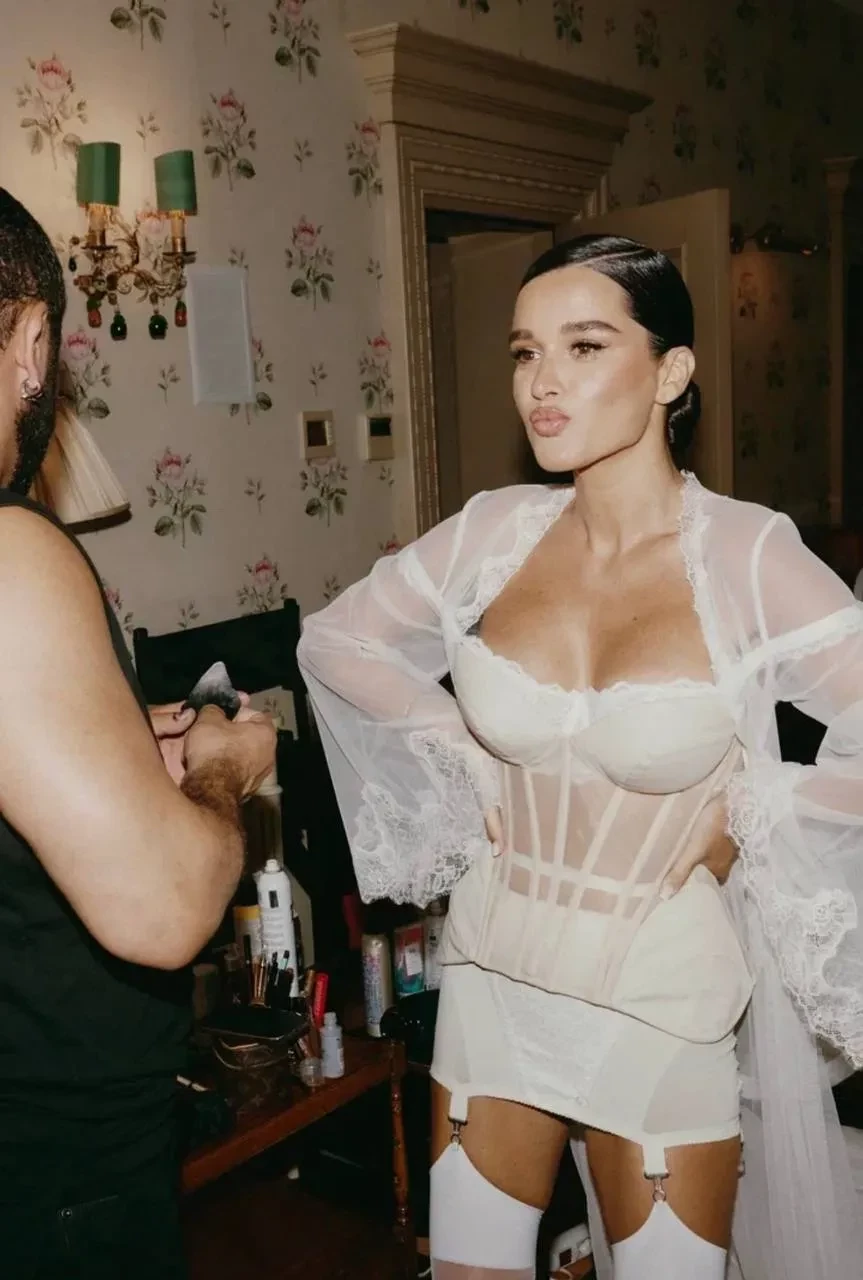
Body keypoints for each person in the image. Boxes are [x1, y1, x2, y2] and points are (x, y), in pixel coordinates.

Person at [297, 233, 863, 1280]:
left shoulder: (745, 554)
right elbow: (336, 643)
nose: (541, 381)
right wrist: (453, 742)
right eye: (525, 351)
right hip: (490, 974)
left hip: (660, 998)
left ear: (671, 372)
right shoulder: (492, 533)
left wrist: (755, 808)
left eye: (584, 345)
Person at [0, 188, 276, 1278]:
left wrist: (113, 750)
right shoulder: (12, 556)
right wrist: (221, 772)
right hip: (56, 1167)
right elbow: (165, 911)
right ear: (32, 344)